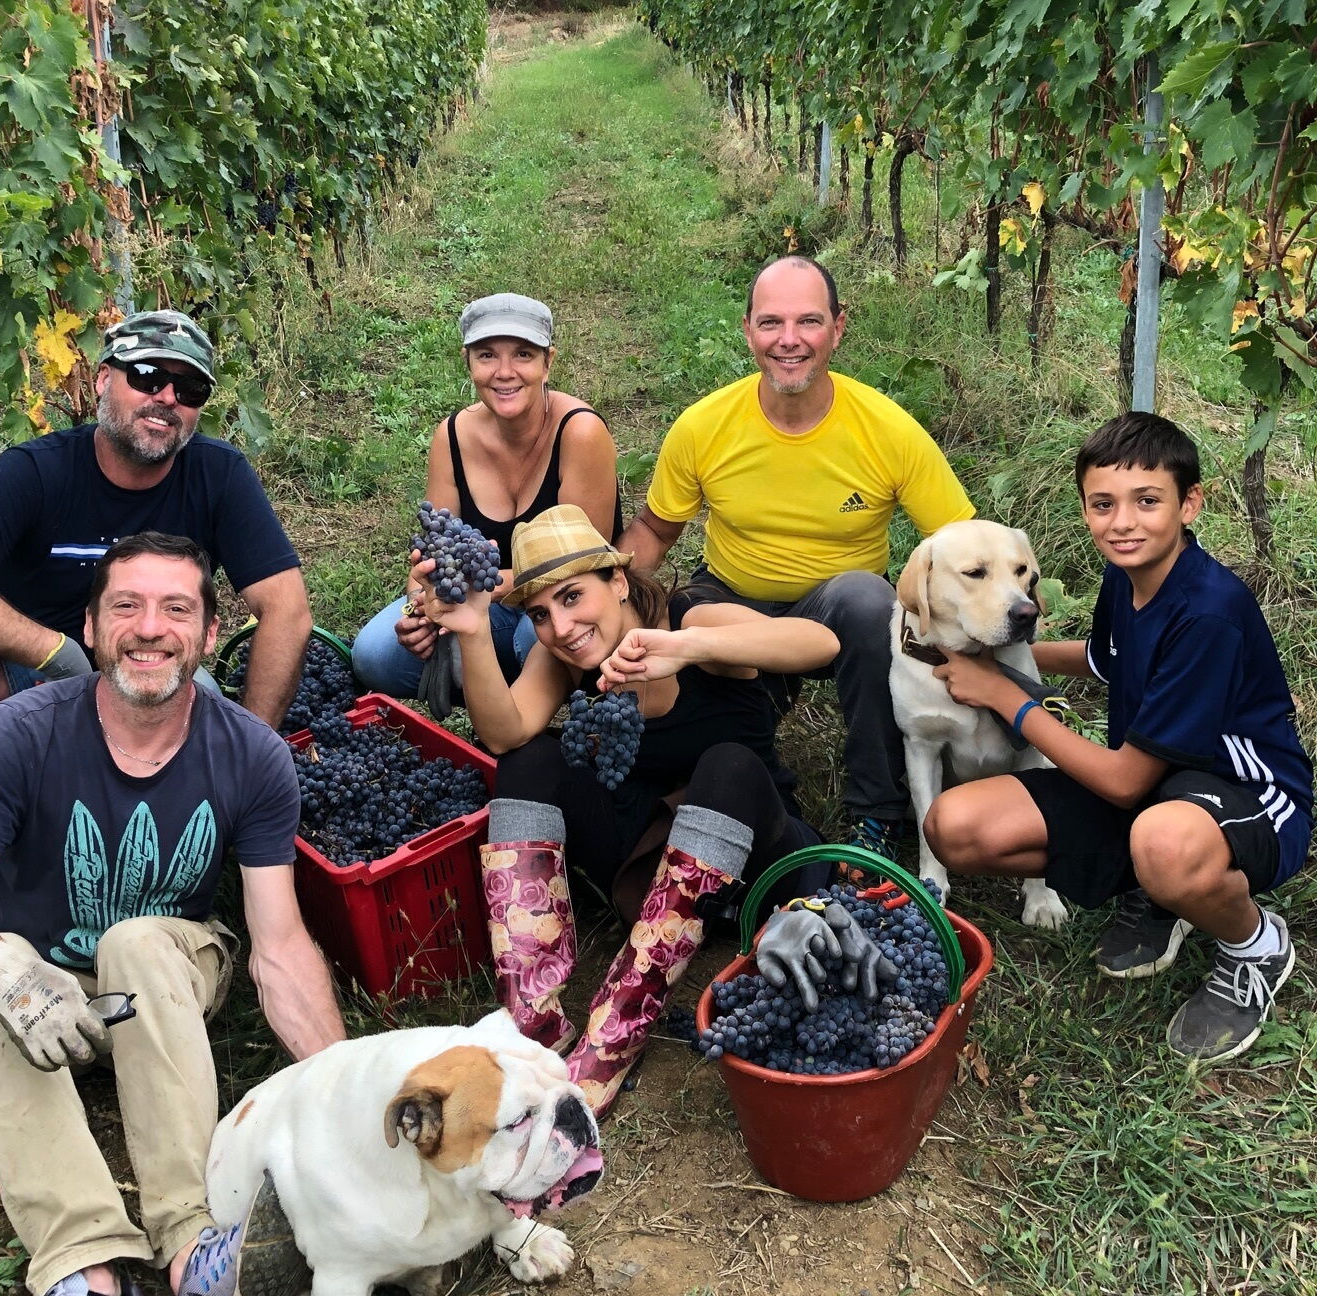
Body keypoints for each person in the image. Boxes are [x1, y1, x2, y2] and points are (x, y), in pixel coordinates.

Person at [0, 533, 346, 1296]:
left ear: (208, 635)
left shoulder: (251, 754)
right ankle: (93, 1295)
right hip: (39, 1009)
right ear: (91, 629)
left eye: (177, 609)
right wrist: (0, 965)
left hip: (162, 977)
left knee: (135, 940)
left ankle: (199, 1257)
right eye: (126, 607)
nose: (150, 628)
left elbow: (280, 944)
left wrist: (346, 1094)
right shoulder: (17, 736)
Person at [416, 505, 894, 1112]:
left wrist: (688, 648)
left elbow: (820, 642)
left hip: (757, 862)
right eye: (540, 613)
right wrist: (473, 631)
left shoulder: (691, 616)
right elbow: (504, 733)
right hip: (650, 869)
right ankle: (532, 1016)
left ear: (618, 581)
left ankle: (616, 1032)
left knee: (727, 764)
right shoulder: (565, 657)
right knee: (528, 760)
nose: (561, 626)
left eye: (572, 597)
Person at [925, 413, 1311, 1064]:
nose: (1123, 522)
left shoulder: (1208, 613)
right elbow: (1103, 659)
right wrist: (1000, 652)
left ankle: (1255, 946)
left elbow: (1125, 781)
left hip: (1249, 799)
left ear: (1190, 504)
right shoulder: (1125, 576)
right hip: (1157, 791)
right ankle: (1162, 892)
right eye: (1103, 504)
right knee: (955, 827)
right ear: (1085, 509)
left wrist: (1004, 695)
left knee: (1164, 841)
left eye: (1147, 501)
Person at [619, 255, 975, 863]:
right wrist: (605, 594)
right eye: (771, 322)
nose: (789, 340)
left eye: (808, 321)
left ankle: (878, 809)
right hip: (731, 596)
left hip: (836, 611)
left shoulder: (888, 430)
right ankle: (709, 785)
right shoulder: (704, 426)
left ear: (838, 327)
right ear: (747, 330)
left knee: (870, 603)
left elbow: (961, 541)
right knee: (686, 616)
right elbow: (655, 529)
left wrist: (997, 643)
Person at [0, 310, 313, 809]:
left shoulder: (219, 476)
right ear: (103, 379)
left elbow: (288, 610)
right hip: (31, 676)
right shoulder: (36, 472)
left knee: (203, 702)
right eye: (148, 376)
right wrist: (55, 652)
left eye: (190, 389)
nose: (168, 398)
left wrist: (253, 749)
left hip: (150, 662)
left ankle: (173, 825)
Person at [351, 294, 619, 705]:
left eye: (523, 354)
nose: (504, 372)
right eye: (487, 355)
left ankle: (523, 709)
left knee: (537, 636)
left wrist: (473, 592)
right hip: (478, 601)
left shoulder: (579, 432)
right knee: (374, 655)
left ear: (548, 362)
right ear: (468, 361)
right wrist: (421, 606)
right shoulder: (451, 437)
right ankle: (492, 690)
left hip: (561, 598)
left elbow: (580, 565)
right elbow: (434, 550)